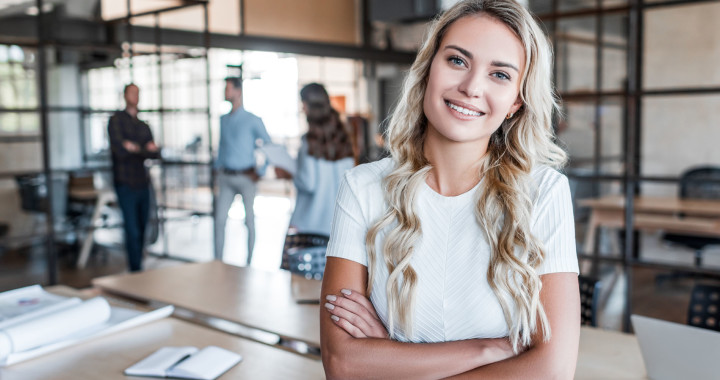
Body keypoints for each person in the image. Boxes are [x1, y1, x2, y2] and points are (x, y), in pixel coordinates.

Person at [320, 0, 580, 378]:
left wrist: (390, 359)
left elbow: (553, 371)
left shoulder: (544, 193)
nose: (472, 87)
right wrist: (489, 350)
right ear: (428, 69)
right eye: (457, 60)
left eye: (500, 75)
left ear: (516, 102)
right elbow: (343, 364)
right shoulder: (362, 188)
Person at [279, 83, 356, 236]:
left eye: (303, 104)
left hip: (308, 225)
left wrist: (289, 173)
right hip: (337, 225)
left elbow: (308, 183)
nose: (302, 109)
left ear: (310, 106)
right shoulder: (343, 139)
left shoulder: (310, 140)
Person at [214, 77, 272, 265]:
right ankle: (218, 261)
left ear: (238, 91)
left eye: (229, 88)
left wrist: (261, 171)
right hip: (226, 177)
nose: (226, 92)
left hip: (247, 177)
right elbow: (222, 148)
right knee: (220, 220)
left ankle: (249, 263)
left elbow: (270, 146)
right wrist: (217, 171)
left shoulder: (253, 120)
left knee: (249, 222)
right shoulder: (223, 120)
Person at [108, 83, 161, 272]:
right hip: (125, 183)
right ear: (125, 95)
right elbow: (120, 151)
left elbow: (154, 153)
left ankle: (139, 265)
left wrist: (134, 148)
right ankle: (135, 269)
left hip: (142, 182)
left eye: (138, 93)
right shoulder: (116, 120)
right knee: (132, 230)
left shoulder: (143, 125)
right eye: (132, 93)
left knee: (142, 227)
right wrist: (143, 149)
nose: (135, 96)